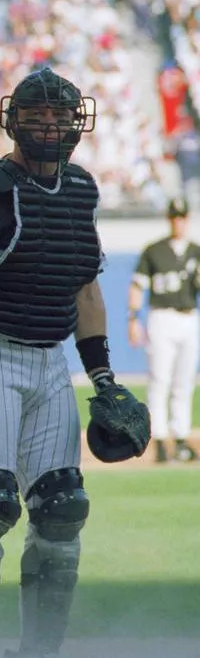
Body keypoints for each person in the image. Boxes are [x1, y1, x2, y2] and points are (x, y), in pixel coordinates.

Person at [0, 67, 140, 658]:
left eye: (60, 114)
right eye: (37, 113)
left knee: (62, 507)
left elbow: (86, 292)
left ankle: (41, 656)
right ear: (13, 120)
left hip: (49, 362)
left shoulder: (81, 190)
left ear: (77, 122)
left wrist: (102, 379)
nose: (50, 123)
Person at [128, 196, 200, 463]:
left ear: (187, 220)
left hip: (189, 316)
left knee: (184, 381)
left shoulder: (195, 251)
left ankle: (180, 438)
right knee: (159, 379)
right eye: (174, 217)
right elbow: (137, 285)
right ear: (169, 219)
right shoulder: (154, 250)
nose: (178, 222)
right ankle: (158, 439)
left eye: (181, 217)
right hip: (161, 316)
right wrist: (133, 318)